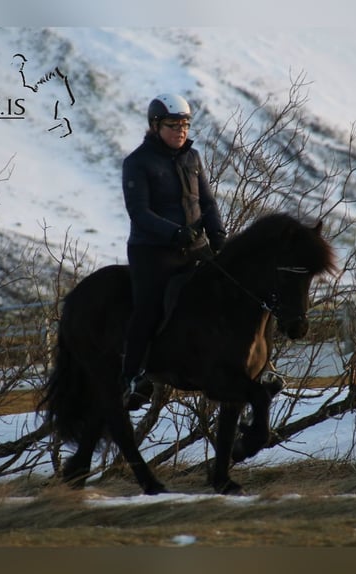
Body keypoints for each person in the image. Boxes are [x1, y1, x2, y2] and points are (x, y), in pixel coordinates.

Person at [120, 93, 227, 410]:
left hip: (195, 248)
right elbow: (139, 213)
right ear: (155, 126)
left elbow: (207, 203)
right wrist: (175, 232)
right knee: (149, 309)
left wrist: (219, 236)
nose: (180, 131)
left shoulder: (192, 158)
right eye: (172, 125)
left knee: (231, 292)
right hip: (153, 252)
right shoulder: (136, 163)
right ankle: (132, 376)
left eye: (185, 124)